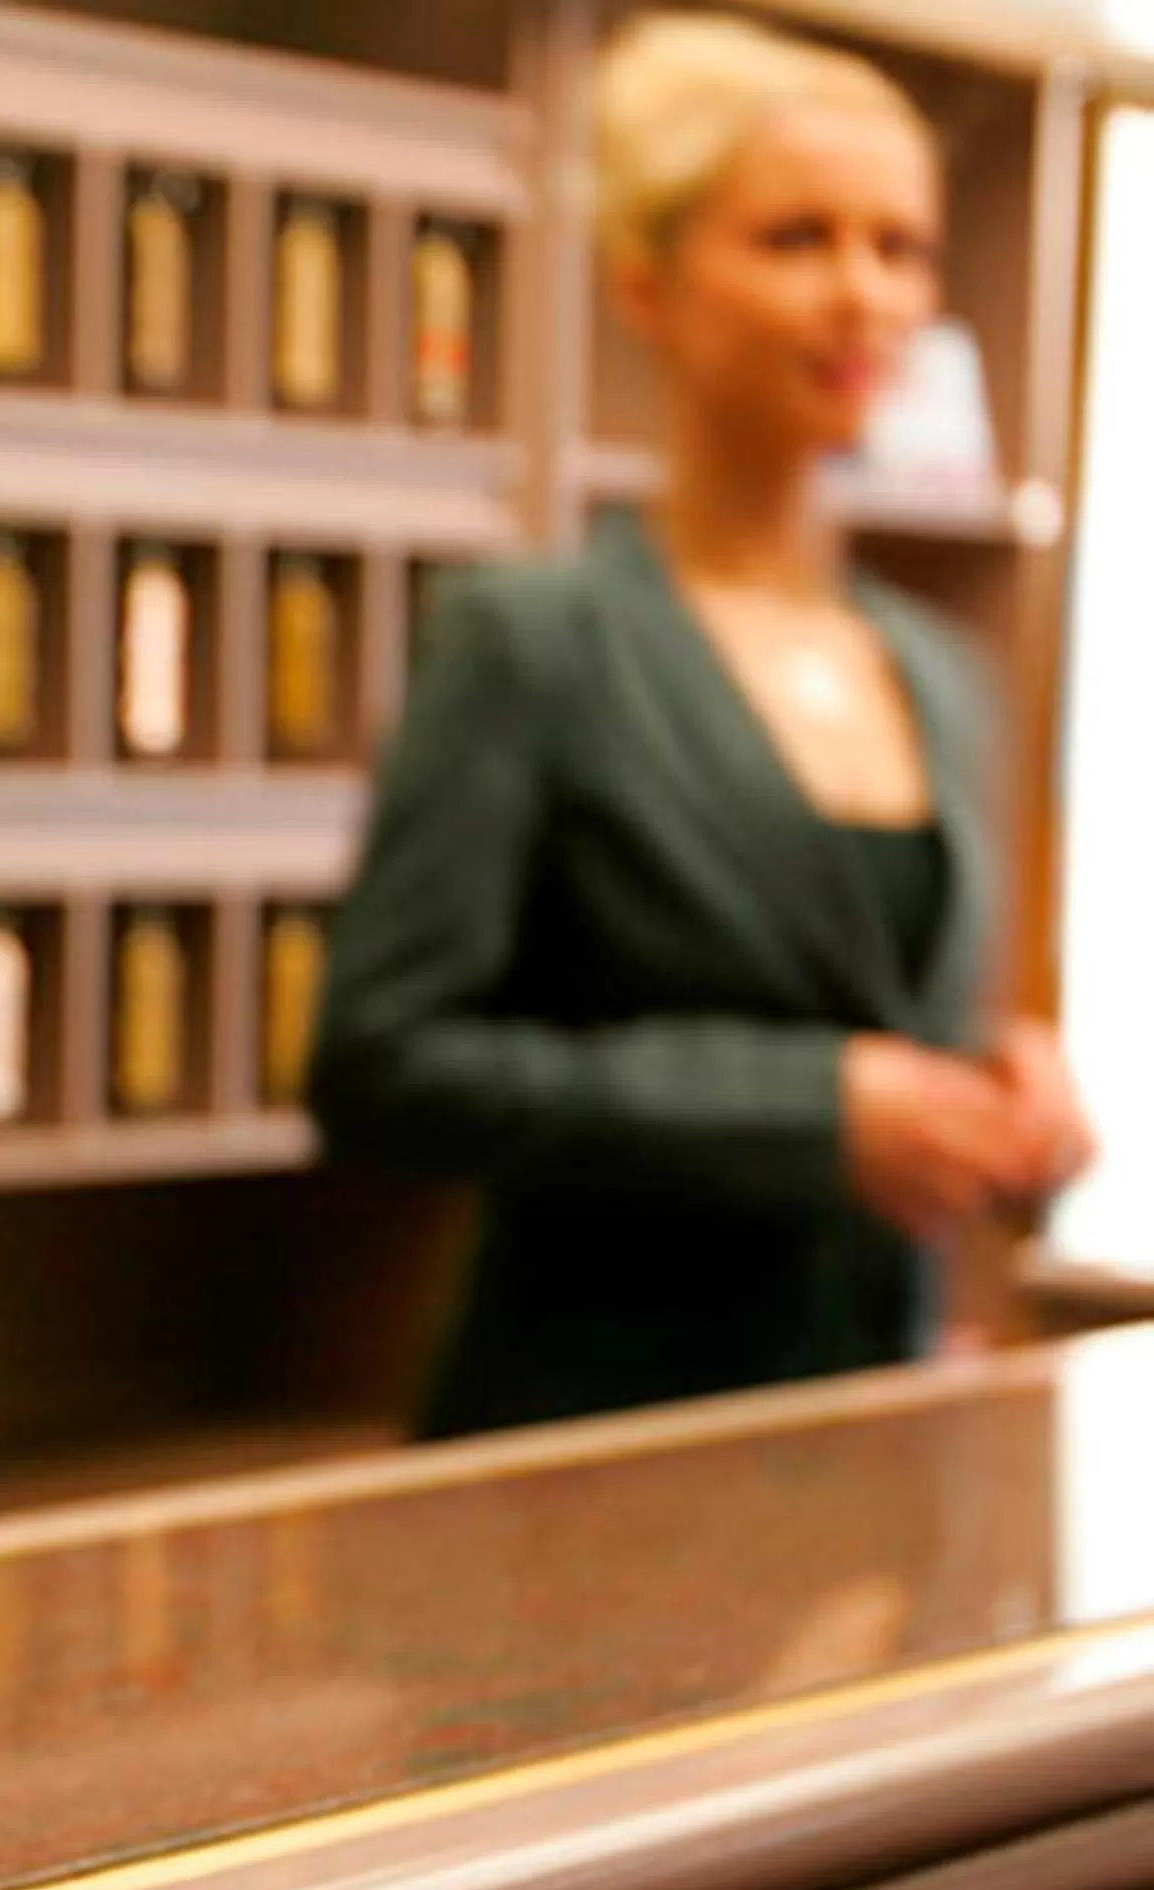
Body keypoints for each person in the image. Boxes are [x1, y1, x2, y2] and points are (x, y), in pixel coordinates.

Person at [308, 12, 1093, 1440]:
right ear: (650, 282)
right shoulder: (534, 643)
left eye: (900, 247)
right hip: (588, 1445)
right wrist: (810, 1109)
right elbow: (380, 1064)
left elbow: (881, 1023)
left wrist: (1005, 1116)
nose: (864, 293)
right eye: (798, 238)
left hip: (870, 1439)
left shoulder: (942, 670)